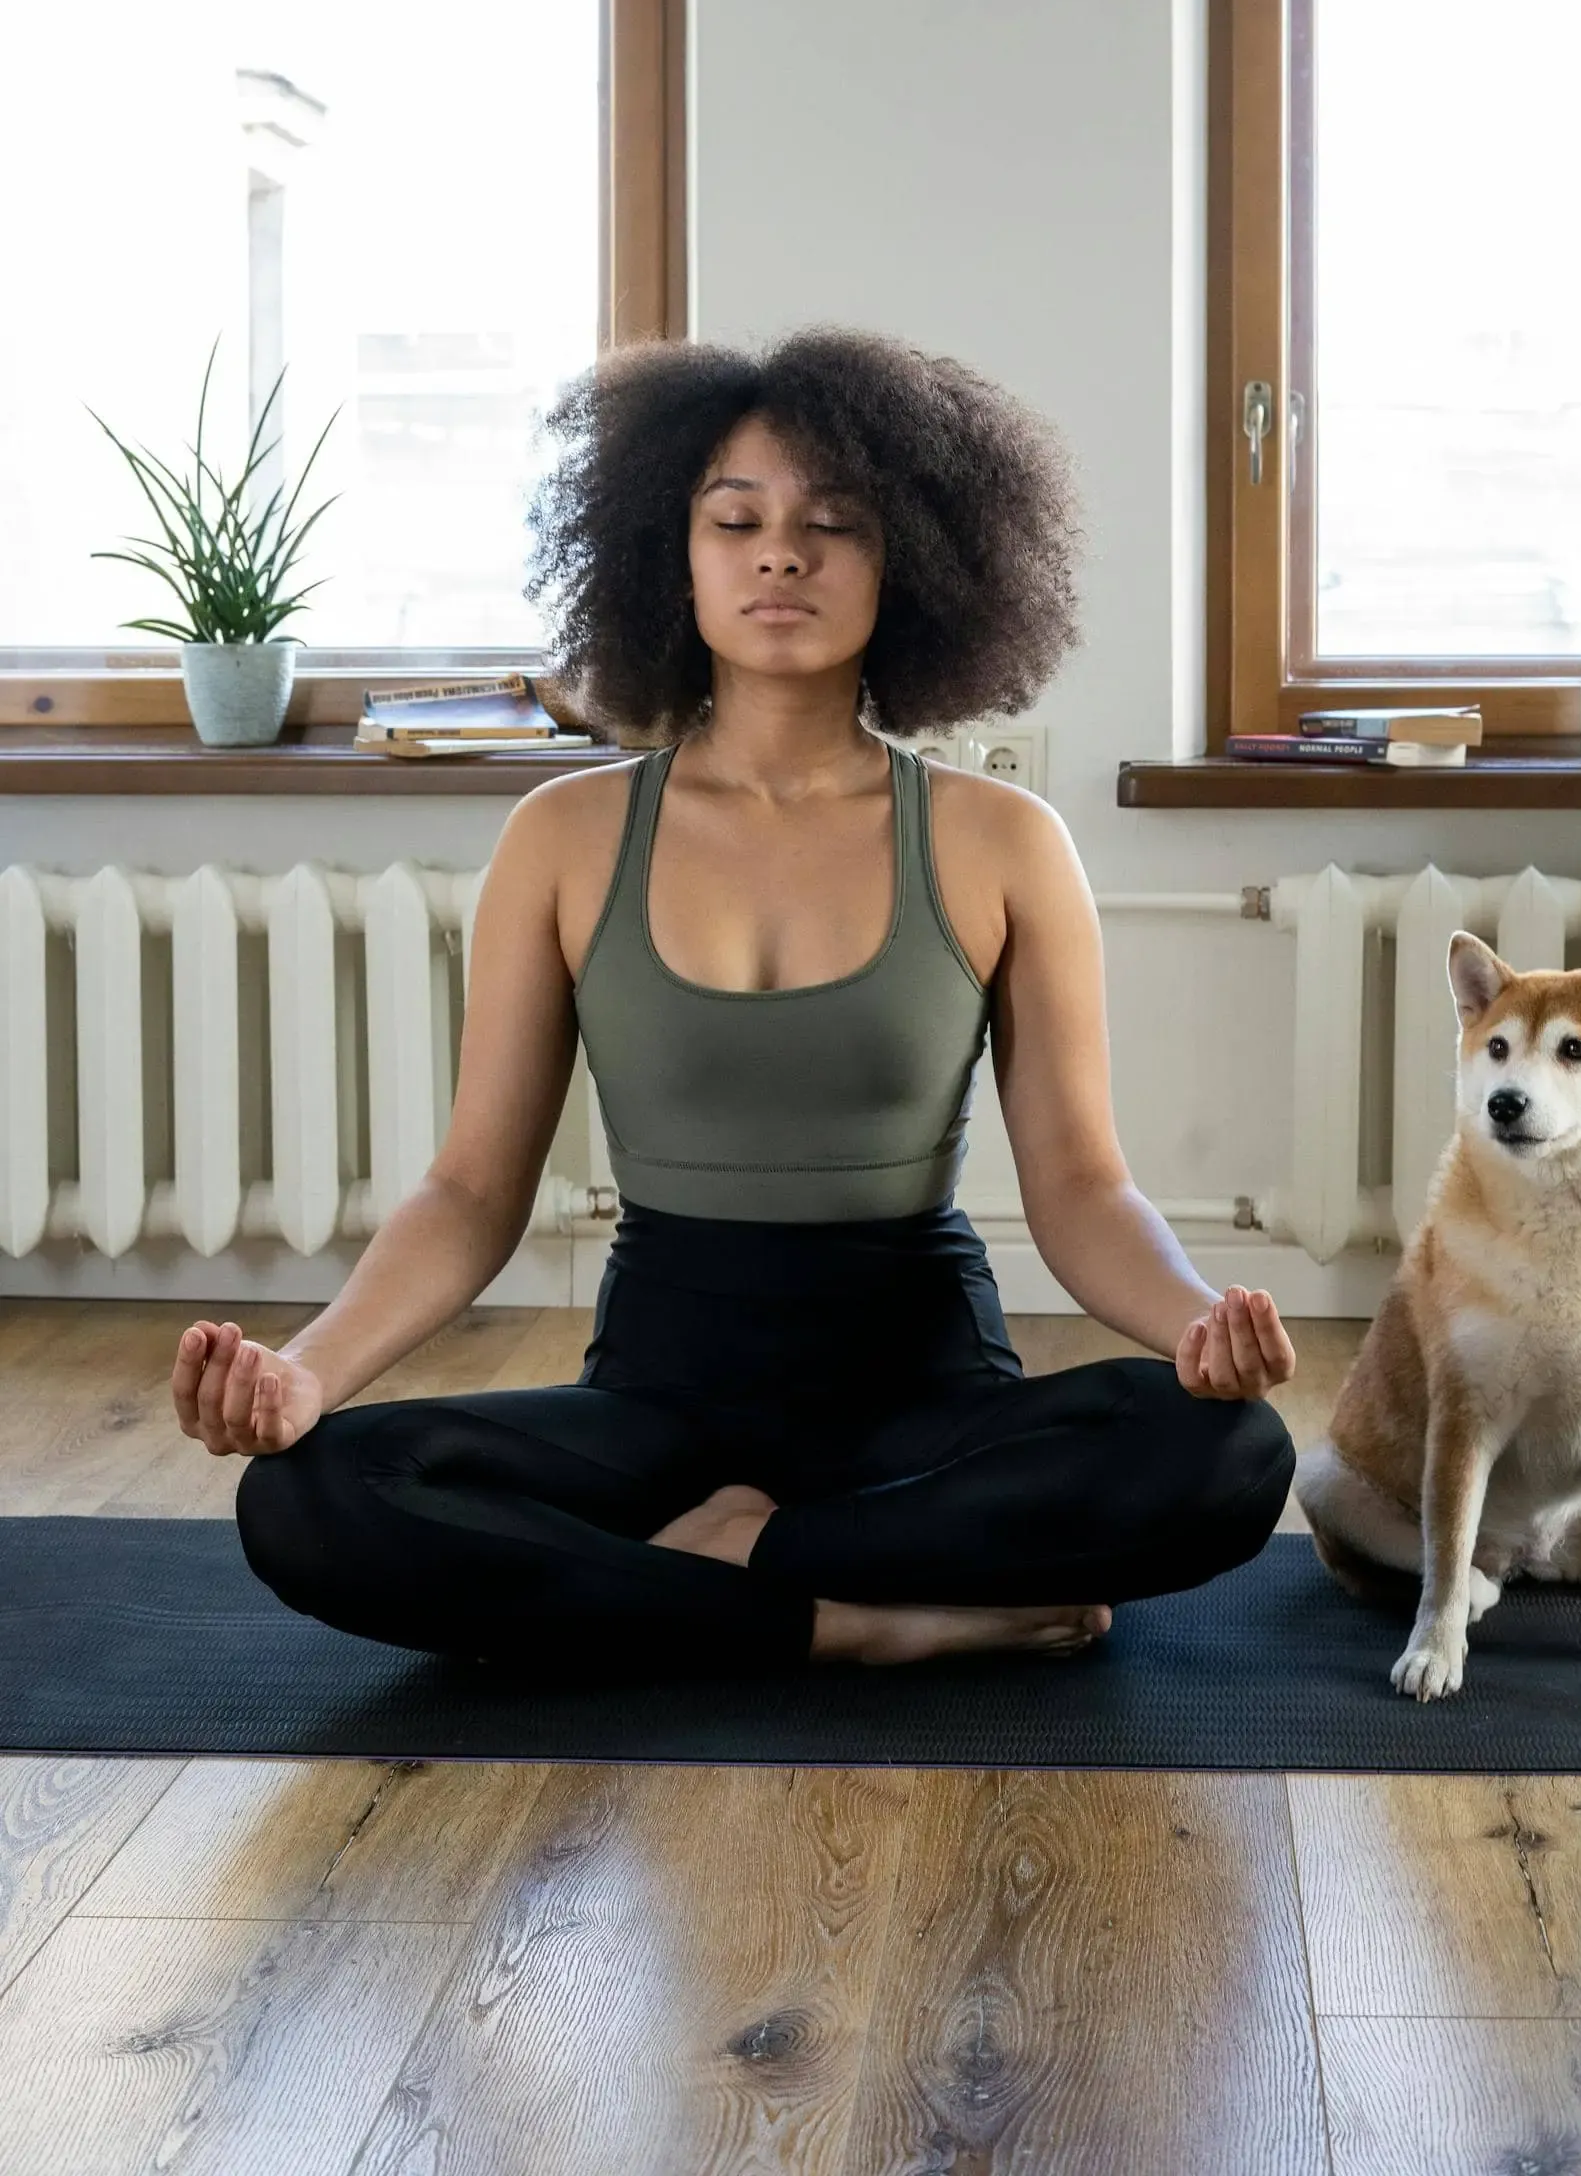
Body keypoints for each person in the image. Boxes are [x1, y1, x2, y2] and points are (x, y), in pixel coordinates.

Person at [174, 327, 1297, 1675]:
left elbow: (1081, 1187)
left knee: (1230, 1453)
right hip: (658, 1401)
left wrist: (1192, 1330)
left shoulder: (1003, 842)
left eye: (834, 525)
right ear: (671, 555)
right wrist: (304, 1375)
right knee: (309, 1496)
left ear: (918, 564)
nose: (782, 554)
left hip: (920, 1396)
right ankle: (851, 1616)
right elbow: (472, 1193)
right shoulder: (566, 835)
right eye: (736, 520)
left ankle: (725, 1570)